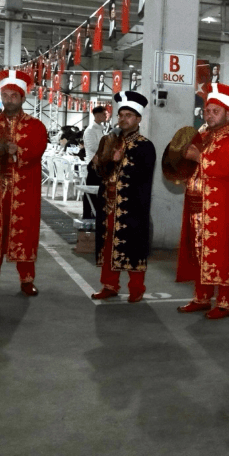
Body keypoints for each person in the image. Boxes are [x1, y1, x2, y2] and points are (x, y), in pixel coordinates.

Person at [174, 84, 229, 319]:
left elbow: (226, 168)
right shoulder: (203, 136)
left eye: (216, 111)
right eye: (207, 110)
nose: (209, 115)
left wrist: (199, 156)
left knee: (224, 255)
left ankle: (226, 302)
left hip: (224, 210)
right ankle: (201, 297)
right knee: (198, 252)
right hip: (197, 207)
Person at [0, 70, 48, 297]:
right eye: (5, 95)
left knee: (24, 233)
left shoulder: (36, 126)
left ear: (23, 98)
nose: (9, 99)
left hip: (25, 190)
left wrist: (18, 150)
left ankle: (26, 280)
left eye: (14, 95)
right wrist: (1, 150)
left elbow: (37, 149)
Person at [90, 91, 156, 303]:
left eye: (129, 115)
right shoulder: (107, 140)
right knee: (108, 244)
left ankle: (136, 288)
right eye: (121, 115)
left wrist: (118, 160)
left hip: (132, 207)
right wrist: (102, 161)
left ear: (138, 119)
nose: (123, 119)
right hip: (108, 203)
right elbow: (96, 172)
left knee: (133, 246)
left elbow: (142, 175)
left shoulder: (145, 146)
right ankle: (109, 285)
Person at [82, 106, 109, 219]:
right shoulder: (90, 130)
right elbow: (93, 147)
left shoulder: (101, 129)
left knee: (99, 192)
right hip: (93, 164)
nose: (106, 116)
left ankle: (97, 215)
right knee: (91, 193)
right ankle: (88, 215)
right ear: (97, 115)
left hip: (102, 164)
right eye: (104, 114)